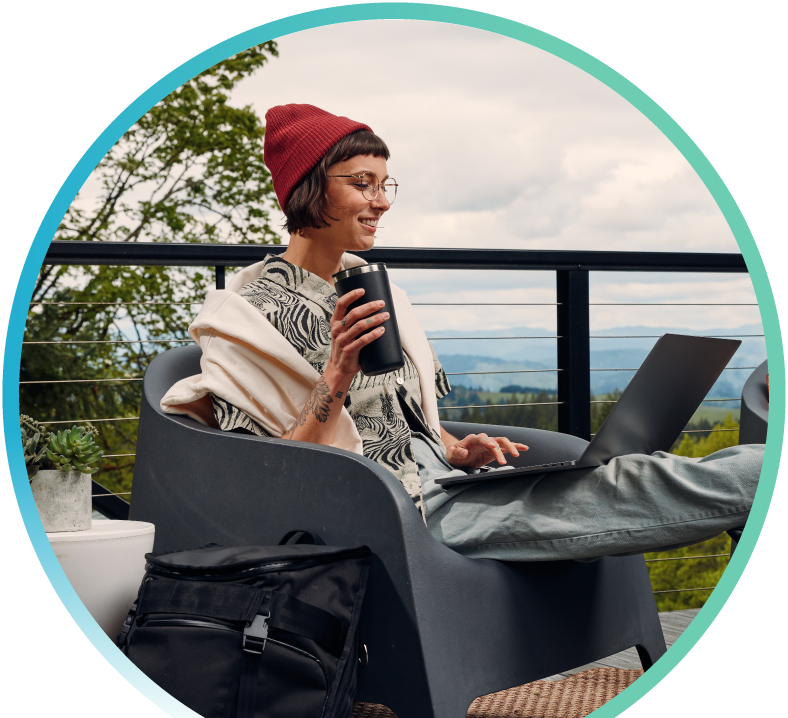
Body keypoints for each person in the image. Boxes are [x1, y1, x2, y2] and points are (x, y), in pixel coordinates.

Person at [162, 104, 762, 562]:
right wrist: (336, 376)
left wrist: (451, 446)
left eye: (384, 184)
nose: (382, 202)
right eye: (362, 183)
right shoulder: (249, 318)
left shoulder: (368, 285)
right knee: (674, 479)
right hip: (399, 513)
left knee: (630, 470)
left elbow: (399, 416)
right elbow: (282, 476)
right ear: (310, 188)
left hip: (451, 483)